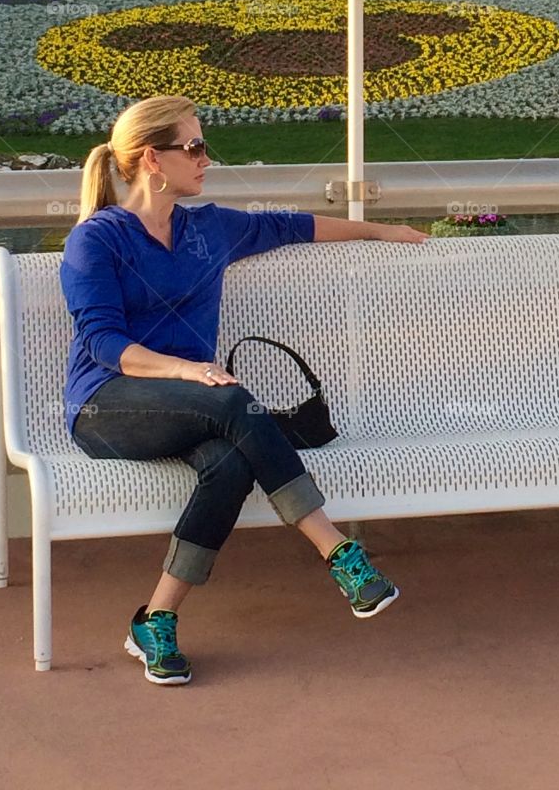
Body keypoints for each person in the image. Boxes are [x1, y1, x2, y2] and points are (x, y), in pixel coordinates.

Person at [61, 95, 426, 686]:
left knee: (230, 465)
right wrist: (184, 370)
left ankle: (155, 620)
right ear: (153, 159)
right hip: (108, 403)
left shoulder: (210, 228)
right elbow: (104, 343)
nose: (208, 158)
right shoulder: (97, 240)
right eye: (195, 147)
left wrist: (381, 229)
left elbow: (294, 226)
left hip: (195, 404)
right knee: (233, 398)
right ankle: (339, 554)